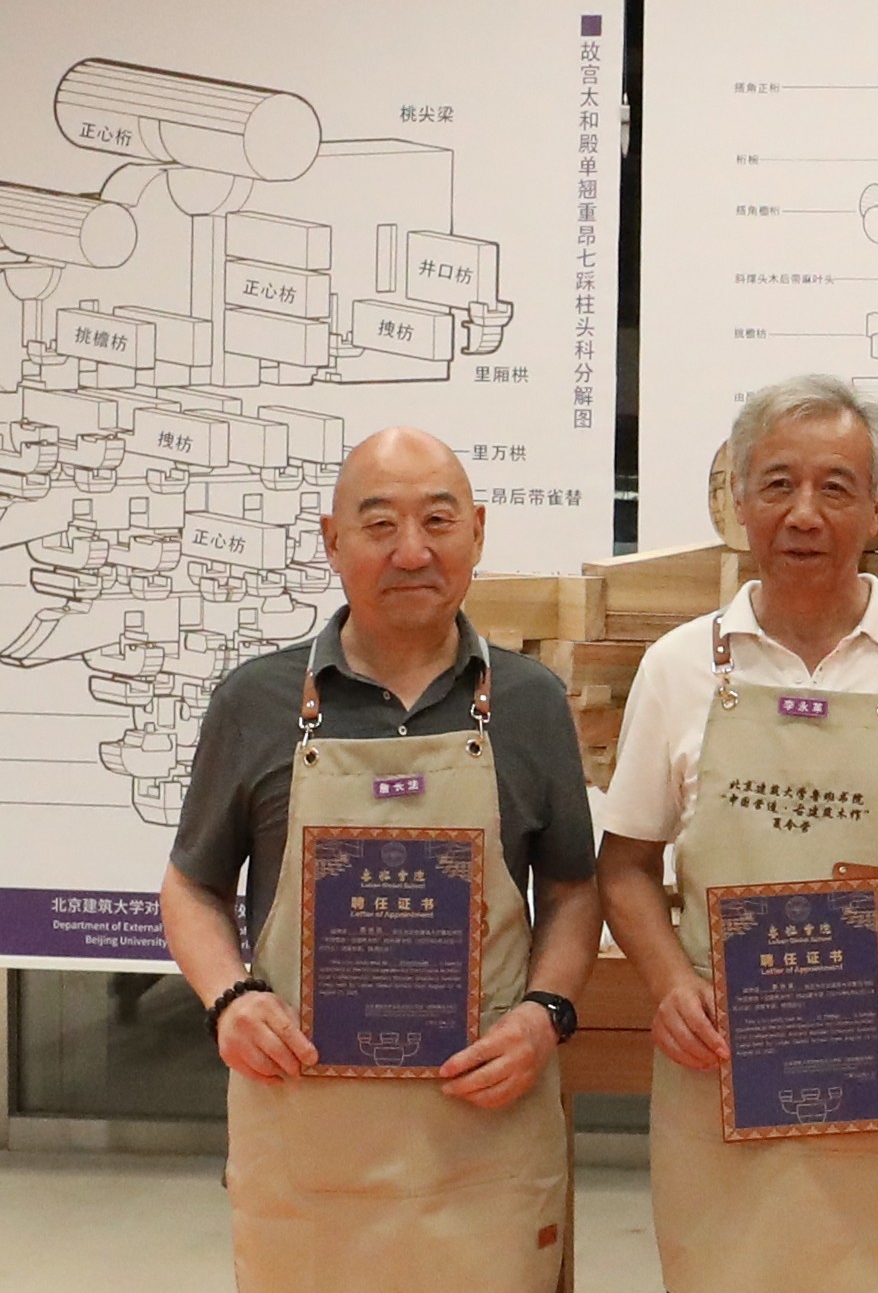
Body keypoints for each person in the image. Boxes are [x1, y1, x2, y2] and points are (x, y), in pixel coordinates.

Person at [598, 374, 878, 1293]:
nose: (804, 514)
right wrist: (670, 984)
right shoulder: (678, 667)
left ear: (876, 507)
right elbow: (626, 863)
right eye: (777, 485)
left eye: (835, 487)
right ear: (739, 503)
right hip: (725, 1068)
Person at [160, 427, 600, 1293]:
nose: (411, 551)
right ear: (332, 540)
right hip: (309, 1132)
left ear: (478, 531)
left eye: (437, 520)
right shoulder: (256, 701)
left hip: (484, 1138)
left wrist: (544, 1012)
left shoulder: (530, 701)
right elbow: (191, 885)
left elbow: (572, 889)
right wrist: (229, 1000)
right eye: (379, 525)